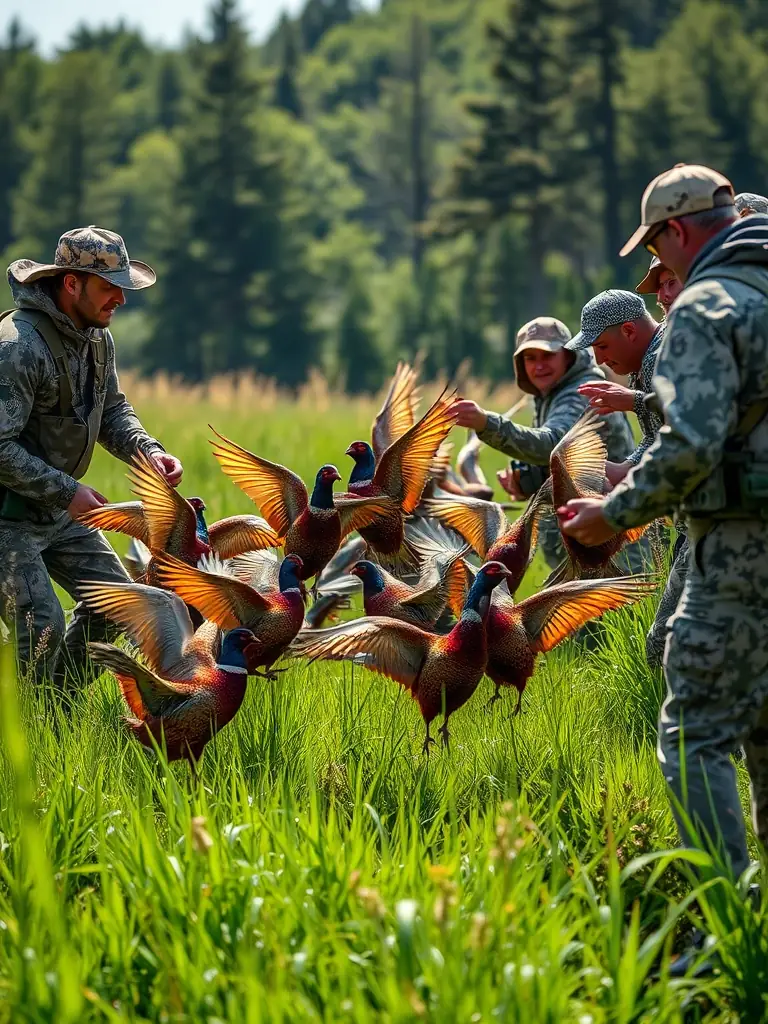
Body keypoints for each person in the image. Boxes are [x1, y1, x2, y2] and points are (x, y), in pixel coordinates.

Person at [561, 164, 768, 892]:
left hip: (742, 551)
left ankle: (724, 917)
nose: (661, 267)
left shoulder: (708, 308)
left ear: (676, 231)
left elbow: (690, 445)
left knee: (695, 733)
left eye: (656, 248)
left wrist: (612, 513)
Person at [0, 225, 183, 685]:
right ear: (70, 283)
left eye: (123, 288)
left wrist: (149, 452)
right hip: (6, 516)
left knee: (117, 605)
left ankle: (59, 711)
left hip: (56, 511)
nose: (120, 300)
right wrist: (68, 492)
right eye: (109, 287)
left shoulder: (98, 338)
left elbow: (113, 411)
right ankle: (29, 735)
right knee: (40, 625)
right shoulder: (18, 348)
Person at [454, 315, 641, 571]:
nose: (539, 366)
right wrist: (527, 481)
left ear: (568, 355)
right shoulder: (551, 394)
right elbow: (567, 463)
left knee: (628, 611)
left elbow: (553, 444)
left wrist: (486, 423)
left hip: (615, 547)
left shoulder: (580, 392)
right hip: (589, 545)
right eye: (530, 358)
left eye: (547, 356)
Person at [566, 289, 685, 667]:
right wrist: (621, 470)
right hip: (692, 520)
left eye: (601, 346)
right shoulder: (645, 361)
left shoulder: (663, 353)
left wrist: (632, 399)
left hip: (715, 518)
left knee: (664, 644)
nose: (599, 359)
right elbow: (656, 439)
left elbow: (689, 428)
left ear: (630, 331)